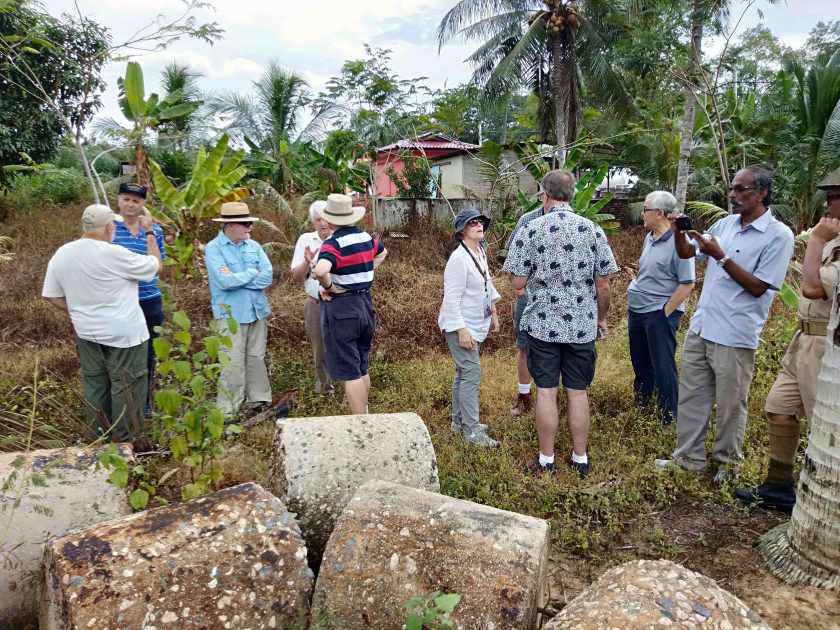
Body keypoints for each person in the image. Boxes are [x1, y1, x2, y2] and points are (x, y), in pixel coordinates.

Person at [655, 166, 795, 483]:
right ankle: (688, 459)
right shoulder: (725, 224)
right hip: (703, 326)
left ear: (762, 193)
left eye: (740, 189)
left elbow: (759, 287)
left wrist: (720, 256)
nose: (732, 195)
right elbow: (687, 253)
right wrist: (679, 232)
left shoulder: (778, 235)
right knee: (692, 397)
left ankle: (728, 466)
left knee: (731, 404)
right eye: (731, 188)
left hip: (735, 332)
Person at [736, 167, 840, 511]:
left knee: (823, 425)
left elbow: (812, 288)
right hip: (803, 340)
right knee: (778, 408)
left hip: (827, 345)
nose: (827, 204)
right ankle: (779, 484)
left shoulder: (827, 241)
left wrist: (816, 240)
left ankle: (823, 495)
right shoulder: (833, 239)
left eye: (834, 197)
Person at [503, 170, 618, 478]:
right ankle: (580, 458)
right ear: (572, 194)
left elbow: (518, 281)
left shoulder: (531, 228)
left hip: (543, 326)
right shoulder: (592, 229)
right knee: (578, 392)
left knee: (546, 392)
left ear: (545, 193)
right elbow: (604, 283)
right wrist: (601, 318)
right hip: (582, 326)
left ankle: (546, 460)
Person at [42, 204, 161, 441]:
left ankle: (97, 439)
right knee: (127, 385)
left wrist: (79, 312)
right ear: (109, 227)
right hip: (125, 335)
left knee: (96, 384)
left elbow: (51, 296)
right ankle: (125, 442)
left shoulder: (63, 253)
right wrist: (149, 232)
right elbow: (155, 266)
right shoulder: (115, 253)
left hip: (87, 332)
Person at [313, 193, 387, 414]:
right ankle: (366, 413)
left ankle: (360, 421)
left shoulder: (332, 244)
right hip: (365, 304)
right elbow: (383, 252)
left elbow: (320, 270)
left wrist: (329, 286)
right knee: (362, 365)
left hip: (343, 308)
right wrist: (366, 272)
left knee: (350, 371)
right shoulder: (364, 238)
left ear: (330, 220)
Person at [627, 191, 696, 425]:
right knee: (641, 363)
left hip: (658, 313)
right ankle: (642, 407)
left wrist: (664, 313)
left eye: (645, 209)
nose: (642, 214)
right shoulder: (650, 237)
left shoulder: (680, 242)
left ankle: (669, 417)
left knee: (663, 366)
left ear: (659, 213)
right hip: (638, 311)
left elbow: (688, 283)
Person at [438, 208, 501, 448]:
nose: (478, 225)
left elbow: (487, 282)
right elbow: (451, 299)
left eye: (480, 222)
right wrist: (461, 330)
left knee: (463, 374)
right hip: (461, 325)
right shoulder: (458, 259)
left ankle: (458, 422)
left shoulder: (479, 251)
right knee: (471, 375)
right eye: (472, 223)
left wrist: (493, 311)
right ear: (462, 230)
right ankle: (472, 431)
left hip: (476, 321)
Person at [205, 201, 273, 417]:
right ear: (230, 225)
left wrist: (241, 279)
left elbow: (267, 276)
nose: (249, 228)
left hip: (257, 310)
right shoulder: (214, 249)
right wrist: (252, 273)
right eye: (245, 224)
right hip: (231, 314)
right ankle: (228, 410)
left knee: (256, 357)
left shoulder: (254, 246)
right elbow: (225, 282)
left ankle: (258, 399)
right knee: (232, 361)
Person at [112, 182, 166, 416]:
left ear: (143, 204)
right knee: (121, 351)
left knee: (149, 352)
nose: (130, 205)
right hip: (120, 301)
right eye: (126, 199)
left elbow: (159, 264)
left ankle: (144, 403)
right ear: (118, 200)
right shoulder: (110, 229)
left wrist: (149, 231)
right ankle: (122, 403)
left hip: (149, 299)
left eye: (136, 201)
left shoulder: (155, 231)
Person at [504, 188, 559, 418]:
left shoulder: (575, 222)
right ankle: (524, 396)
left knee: (559, 347)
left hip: (561, 299)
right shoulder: (527, 221)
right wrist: (519, 287)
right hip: (530, 296)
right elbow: (512, 254)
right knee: (525, 346)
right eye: (547, 194)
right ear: (542, 196)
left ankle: (555, 397)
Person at [290, 200, 334, 395]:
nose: (323, 223)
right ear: (313, 222)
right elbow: (296, 276)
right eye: (318, 220)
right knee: (319, 349)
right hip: (316, 302)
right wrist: (307, 263)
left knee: (343, 345)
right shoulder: (305, 240)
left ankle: (348, 389)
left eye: (325, 218)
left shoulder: (340, 238)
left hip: (340, 301)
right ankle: (325, 390)